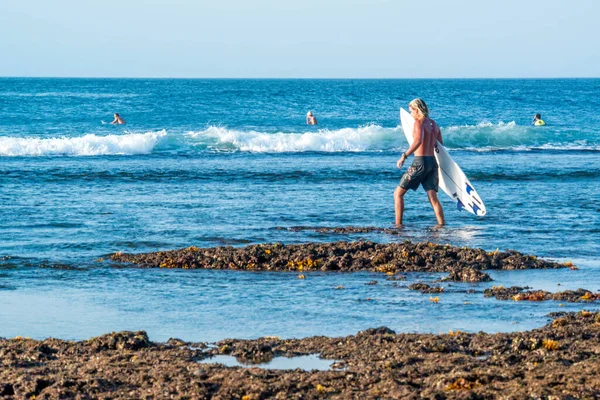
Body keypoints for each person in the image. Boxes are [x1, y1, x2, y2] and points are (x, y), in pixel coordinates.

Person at [394, 98, 445, 226]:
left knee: (398, 194)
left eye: (411, 111)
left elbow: (417, 141)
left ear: (417, 110)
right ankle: (441, 225)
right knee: (433, 198)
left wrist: (404, 156)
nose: (411, 114)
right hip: (432, 163)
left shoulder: (419, 123)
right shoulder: (435, 124)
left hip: (419, 163)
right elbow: (440, 147)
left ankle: (398, 225)